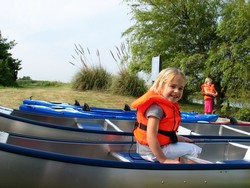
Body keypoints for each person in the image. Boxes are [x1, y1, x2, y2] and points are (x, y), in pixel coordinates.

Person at [131, 67, 202, 164]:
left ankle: (179, 167)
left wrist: (180, 139)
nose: (177, 91)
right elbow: (151, 137)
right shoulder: (157, 109)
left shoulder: (165, 105)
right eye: (172, 86)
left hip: (151, 150)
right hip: (151, 152)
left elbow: (164, 132)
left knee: (187, 145)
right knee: (194, 150)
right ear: (161, 86)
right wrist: (163, 160)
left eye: (180, 88)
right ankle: (188, 174)